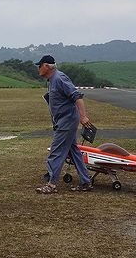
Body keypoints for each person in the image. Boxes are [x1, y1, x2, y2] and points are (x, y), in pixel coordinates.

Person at [34, 55, 94, 194]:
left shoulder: (60, 78)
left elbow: (77, 97)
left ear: (47, 66)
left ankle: (51, 185)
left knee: (56, 151)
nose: (38, 68)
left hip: (67, 120)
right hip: (63, 120)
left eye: (40, 65)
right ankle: (85, 182)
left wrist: (83, 116)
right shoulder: (51, 80)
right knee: (73, 151)